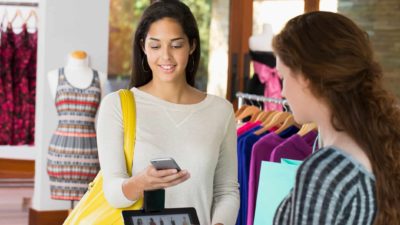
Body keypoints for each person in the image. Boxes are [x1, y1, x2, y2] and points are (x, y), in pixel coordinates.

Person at [97, 1, 240, 225]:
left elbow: (226, 191)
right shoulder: (116, 106)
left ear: (192, 46)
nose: (166, 56)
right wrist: (141, 183)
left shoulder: (220, 111)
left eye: (176, 45)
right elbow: (113, 192)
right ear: (143, 46)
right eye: (155, 46)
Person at [271, 11, 400, 225]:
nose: (282, 92)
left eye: (283, 77)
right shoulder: (376, 144)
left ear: (305, 78)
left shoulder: (326, 170)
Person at [46, 51, 105, 202]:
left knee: (86, 202)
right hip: (61, 152)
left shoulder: (100, 77)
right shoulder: (54, 75)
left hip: (90, 152)